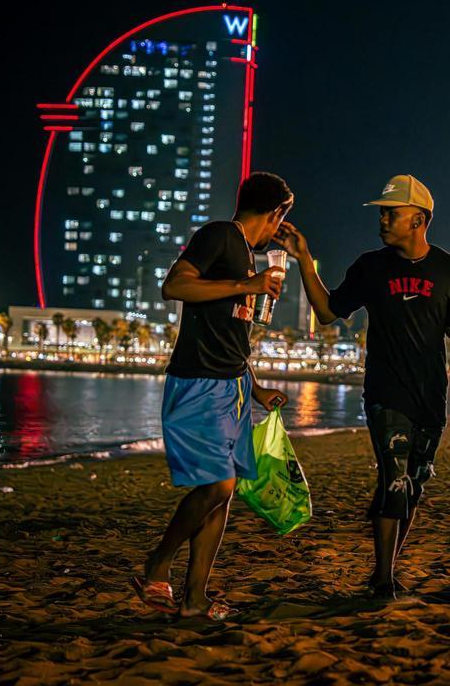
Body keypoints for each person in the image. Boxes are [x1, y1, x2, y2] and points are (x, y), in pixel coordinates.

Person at [278, 175, 450, 599]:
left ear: (419, 220)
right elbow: (327, 311)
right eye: (382, 212)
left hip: (431, 393)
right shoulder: (370, 267)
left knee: (414, 483)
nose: (383, 219)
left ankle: (385, 570)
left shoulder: (449, 268)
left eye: (391, 212)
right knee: (393, 478)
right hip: (385, 391)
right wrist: (303, 258)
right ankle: (384, 577)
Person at [131, 172, 293, 619]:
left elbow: (232, 330)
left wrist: (256, 387)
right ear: (277, 213)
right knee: (217, 483)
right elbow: (175, 285)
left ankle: (195, 599)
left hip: (234, 384)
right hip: (198, 380)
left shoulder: (244, 253)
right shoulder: (220, 235)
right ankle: (157, 564)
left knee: (225, 491)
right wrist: (248, 285)